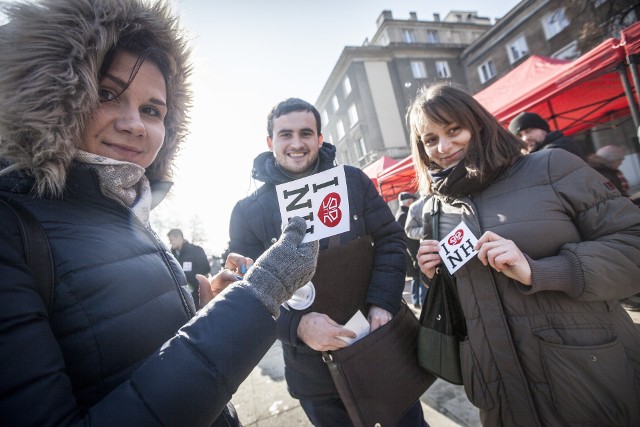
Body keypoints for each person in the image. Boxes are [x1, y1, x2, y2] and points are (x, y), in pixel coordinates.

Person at [0, 1, 319, 425]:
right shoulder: (11, 228)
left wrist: (207, 312)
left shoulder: (124, 209)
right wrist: (259, 293)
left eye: (153, 110)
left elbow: (131, 350)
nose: (135, 124)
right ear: (51, 95)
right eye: (107, 94)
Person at [408, 83, 640, 426]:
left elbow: (632, 244)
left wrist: (540, 271)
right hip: (500, 394)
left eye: (454, 129)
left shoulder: (551, 167)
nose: (444, 146)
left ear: (478, 123)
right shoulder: (434, 210)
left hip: (588, 378)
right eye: (430, 140)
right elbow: (468, 302)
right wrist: (436, 279)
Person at [228, 98, 426, 426]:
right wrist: (297, 327)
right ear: (270, 142)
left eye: (306, 133)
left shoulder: (353, 181)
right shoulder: (248, 211)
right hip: (314, 372)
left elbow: (391, 240)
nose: (296, 143)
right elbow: (246, 292)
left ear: (320, 139)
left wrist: (383, 302)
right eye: (285, 134)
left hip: (380, 349)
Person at [508, 111, 587, 160]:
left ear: (543, 129)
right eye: (519, 136)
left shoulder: (559, 148)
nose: (525, 138)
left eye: (529, 131)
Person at [168, 228, 211, 308]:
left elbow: (206, 268)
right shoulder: (171, 256)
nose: (170, 242)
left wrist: (186, 277)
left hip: (196, 295)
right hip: (179, 298)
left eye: (171, 239)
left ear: (180, 237)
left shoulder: (196, 250)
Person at [395, 192, 425, 308]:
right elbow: (408, 239)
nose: (414, 202)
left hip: (409, 253)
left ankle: (416, 301)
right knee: (420, 278)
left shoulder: (400, 213)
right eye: (412, 200)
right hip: (412, 253)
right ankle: (421, 302)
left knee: (416, 278)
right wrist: (414, 256)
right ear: (408, 201)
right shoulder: (403, 215)